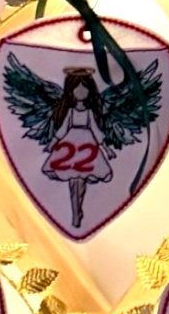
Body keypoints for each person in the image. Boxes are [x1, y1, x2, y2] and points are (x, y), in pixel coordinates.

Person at [42, 68, 115, 229]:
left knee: (81, 182)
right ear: (71, 90)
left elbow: (95, 130)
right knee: (73, 181)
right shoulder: (70, 111)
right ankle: (75, 211)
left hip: (87, 148)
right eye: (77, 88)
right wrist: (52, 143)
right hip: (70, 147)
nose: (81, 91)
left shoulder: (89, 112)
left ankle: (78, 210)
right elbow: (62, 129)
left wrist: (106, 149)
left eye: (85, 88)